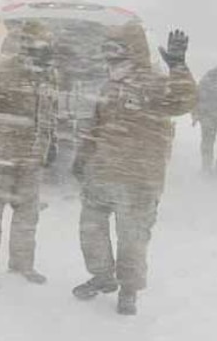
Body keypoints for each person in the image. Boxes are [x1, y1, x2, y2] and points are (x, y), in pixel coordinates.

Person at [71, 24, 196, 316]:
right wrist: (82, 157)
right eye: (107, 49)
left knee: (133, 239)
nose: (109, 56)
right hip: (101, 174)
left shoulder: (154, 82)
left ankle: (128, 291)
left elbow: (183, 101)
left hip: (139, 180)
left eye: (116, 49)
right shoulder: (109, 85)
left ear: (133, 50)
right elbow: (95, 126)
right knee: (91, 230)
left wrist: (179, 67)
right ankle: (103, 275)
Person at [0, 21, 58, 295]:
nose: (40, 49)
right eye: (35, 43)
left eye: (45, 44)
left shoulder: (50, 74)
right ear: (25, 43)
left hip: (30, 161)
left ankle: (21, 264)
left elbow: (50, 111)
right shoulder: (1, 70)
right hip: (0, 156)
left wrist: (49, 143)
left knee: (27, 218)